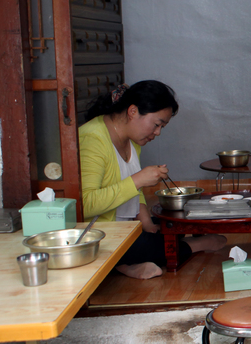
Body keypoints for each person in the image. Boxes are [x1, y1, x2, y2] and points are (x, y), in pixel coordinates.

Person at [79, 80, 226, 279]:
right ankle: (196, 245)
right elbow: (84, 204)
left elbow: (134, 193)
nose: (157, 133)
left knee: (172, 223)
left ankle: (124, 265)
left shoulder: (132, 141)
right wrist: (138, 180)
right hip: (101, 235)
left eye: (161, 127)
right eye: (157, 125)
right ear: (132, 111)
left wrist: (147, 222)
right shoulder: (92, 139)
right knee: (150, 244)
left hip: (128, 226)